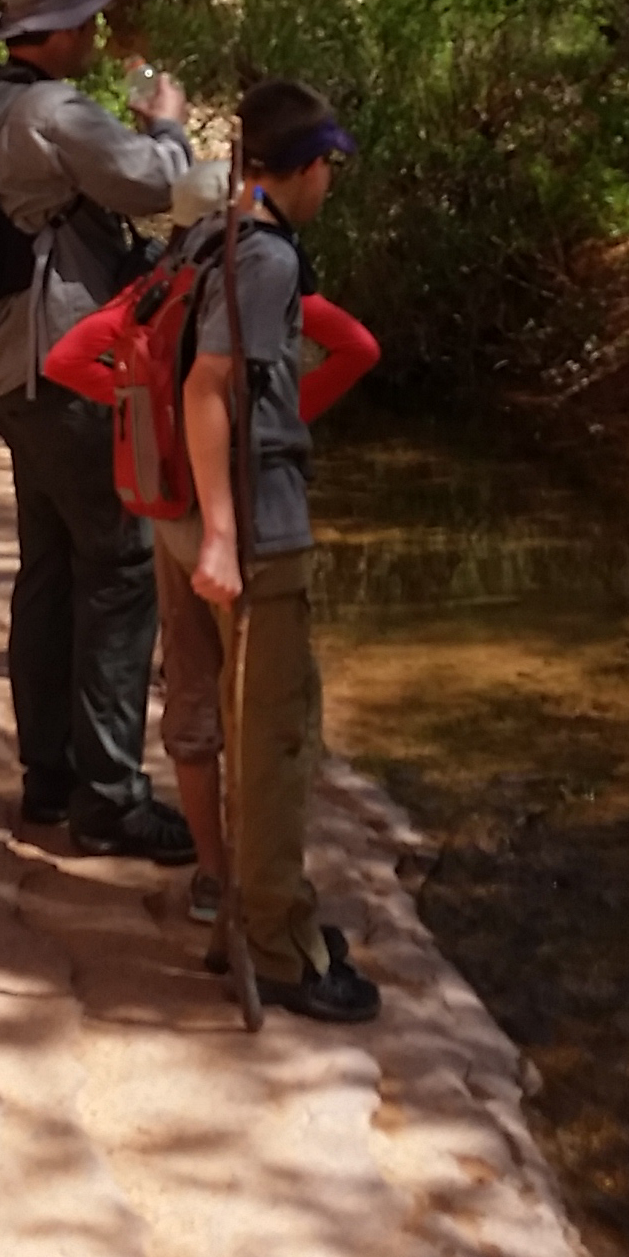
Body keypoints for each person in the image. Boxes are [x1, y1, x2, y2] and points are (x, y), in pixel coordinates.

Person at [0, 0, 226, 860]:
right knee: (116, 568)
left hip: (9, 372)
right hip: (67, 370)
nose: (96, 36)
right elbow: (166, 192)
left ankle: (52, 780)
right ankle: (109, 799)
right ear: (64, 30)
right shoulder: (52, 109)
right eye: (89, 23)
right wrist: (171, 129)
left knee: (49, 572)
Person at [44, 266, 378, 928]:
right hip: (240, 513)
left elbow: (64, 358)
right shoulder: (259, 278)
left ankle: (212, 875)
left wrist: (144, 410)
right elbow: (359, 349)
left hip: (172, 512)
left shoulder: (155, 289)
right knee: (265, 709)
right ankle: (263, 898)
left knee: (194, 692)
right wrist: (289, 415)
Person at [183, 78, 383, 1023]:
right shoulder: (263, 257)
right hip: (254, 532)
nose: (328, 186)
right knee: (275, 743)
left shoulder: (205, 234)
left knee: (236, 728)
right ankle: (281, 948)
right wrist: (225, 534)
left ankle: (259, 918)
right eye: (328, 169)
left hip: (188, 513)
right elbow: (209, 387)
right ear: (307, 168)